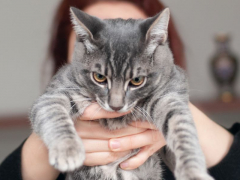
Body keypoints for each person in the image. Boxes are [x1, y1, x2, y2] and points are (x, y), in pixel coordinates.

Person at [0, 1, 239, 180]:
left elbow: (173, 109)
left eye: (135, 80)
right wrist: (53, 144)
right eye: (100, 76)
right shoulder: (72, 79)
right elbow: (48, 105)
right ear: (73, 53)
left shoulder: (164, 85)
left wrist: (190, 154)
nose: (116, 103)